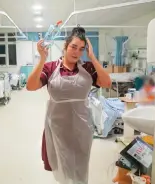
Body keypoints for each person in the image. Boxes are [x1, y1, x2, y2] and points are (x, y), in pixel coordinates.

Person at [26, 27, 111, 184]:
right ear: (65, 46)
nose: (76, 52)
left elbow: (106, 82)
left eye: (81, 49)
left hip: (82, 126)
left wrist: (92, 57)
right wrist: (42, 59)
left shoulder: (87, 67)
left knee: (80, 164)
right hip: (58, 126)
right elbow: (30, 86)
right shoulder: (50, 67)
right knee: (61, 163)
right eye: (73, 47)